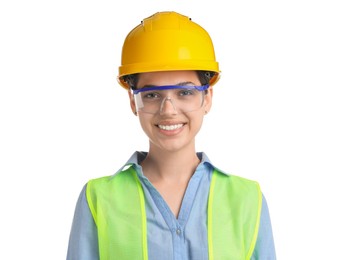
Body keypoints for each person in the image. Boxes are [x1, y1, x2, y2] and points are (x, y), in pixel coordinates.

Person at [66, 11, 276, 260]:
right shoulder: (98, 199)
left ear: (207, 98)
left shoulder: (247, 200)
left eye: (185, 92)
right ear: (133, 103)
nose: (168, 109)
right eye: (152, 95)